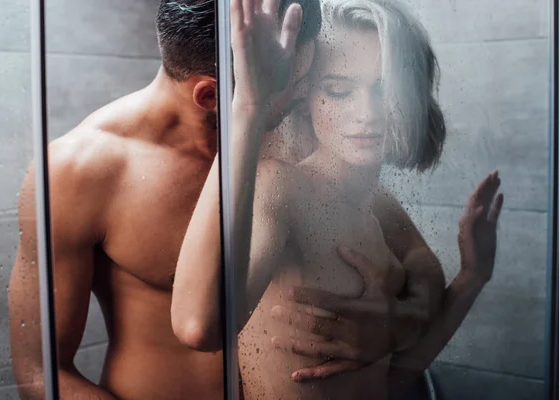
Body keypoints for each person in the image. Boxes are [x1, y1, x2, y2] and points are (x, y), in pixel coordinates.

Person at [172, 0, 504, 399]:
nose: (367, 112)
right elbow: (202, 328)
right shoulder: (281, 188)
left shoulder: (377, 202)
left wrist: (472, 277)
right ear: (306, 96)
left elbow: (387, 380)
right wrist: (248, 105)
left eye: (386, 90)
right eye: (339, 91)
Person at [7, 1, 318, 399]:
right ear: (210, 97)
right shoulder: (78, 171)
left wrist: (400, 325)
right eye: (287, 83)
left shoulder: (298, 142)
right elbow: (39, 372)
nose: (307, 99)